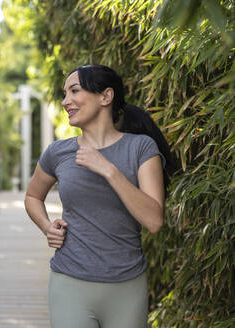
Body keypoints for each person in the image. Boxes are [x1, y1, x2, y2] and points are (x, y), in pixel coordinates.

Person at [24, 64, 175, 328]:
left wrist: (107, 169)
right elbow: (32, 196)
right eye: (64, 94)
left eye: (74, 91)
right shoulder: (58, 152)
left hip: (127, 284)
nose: (65, 101)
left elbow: (154, 220)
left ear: (106, 97)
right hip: (69, 281)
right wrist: (47, 226)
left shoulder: (140, 147)